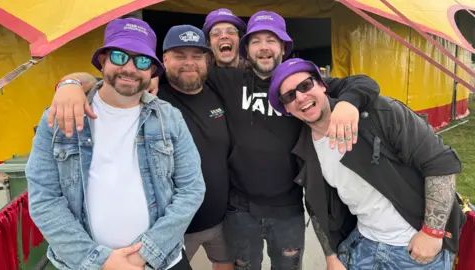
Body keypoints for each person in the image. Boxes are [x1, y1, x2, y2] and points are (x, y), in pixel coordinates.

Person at [44, 10, 381, 270]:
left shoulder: (301, 83)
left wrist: (349, 104)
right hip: (234, 211)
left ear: (284, 46)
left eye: (272, 40)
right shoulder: (217, 83)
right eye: (257, 40)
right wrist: (70, 84)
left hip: (287, 207)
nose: (264, 47)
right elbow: (113, 79)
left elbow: (363, 82)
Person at [26, 18, 205, 270]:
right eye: (120, 56)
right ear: (103, 60)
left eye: (142, 60)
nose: (130, 68)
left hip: (161, 261)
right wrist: (101, 261)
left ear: (152, 71)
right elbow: (44, 199)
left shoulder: (169, 117)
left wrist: (145, 253)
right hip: (85, 263)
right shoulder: (58, 118)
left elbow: (191, 190)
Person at [268, 57, 464, 269]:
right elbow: (316, 207)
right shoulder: (304, 148)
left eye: (305, 85)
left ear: (322, 84)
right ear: (287, 109)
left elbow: (440, 163)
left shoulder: (379, 113)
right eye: (289, 96)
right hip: (363, 246)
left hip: (414, 249)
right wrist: (331, 256)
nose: (300, 97)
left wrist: (432, 233)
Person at [158, 24, 233, 269]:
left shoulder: (218, 91)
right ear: (164, 59)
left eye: (196, 56)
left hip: (222, 221)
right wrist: (71, 84)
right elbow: (107, 83)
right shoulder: (151, 97)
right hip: (175, 229)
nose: (189, 62)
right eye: (180, 55)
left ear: (207, 60)